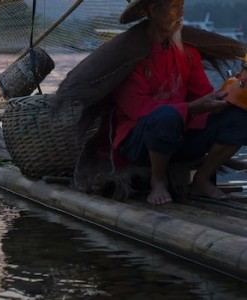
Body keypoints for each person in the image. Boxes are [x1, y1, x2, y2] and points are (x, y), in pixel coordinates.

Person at [55, 0, 247, 205]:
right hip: (139, 142)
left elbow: (202, 95)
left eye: (181, 4)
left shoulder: (188, 52)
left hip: (178, 135)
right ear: (154, 10)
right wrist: (192, 108)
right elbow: (139, 109)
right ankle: (158, 180)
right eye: (174, 5)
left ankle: (201, 179)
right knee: (166, 116)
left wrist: (229, 95)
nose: (181, 11)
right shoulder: (129, 55)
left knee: (238, 116)